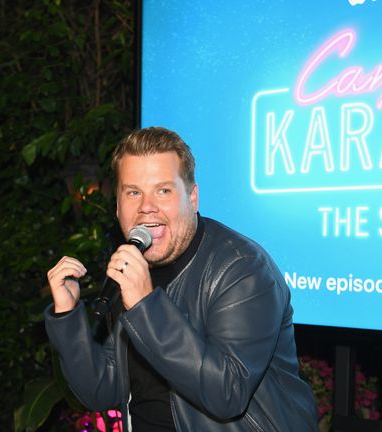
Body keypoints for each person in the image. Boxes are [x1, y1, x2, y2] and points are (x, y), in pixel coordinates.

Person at [45, 127, 318, 431]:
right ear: (118, 206)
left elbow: (227, 393)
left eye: (163, 190)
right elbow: (102, 392)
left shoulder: (243, 269)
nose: (147, 206)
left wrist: (145, 305)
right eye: (133, 192)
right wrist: (68, 316)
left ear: (193, 197)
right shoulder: (134, 269)